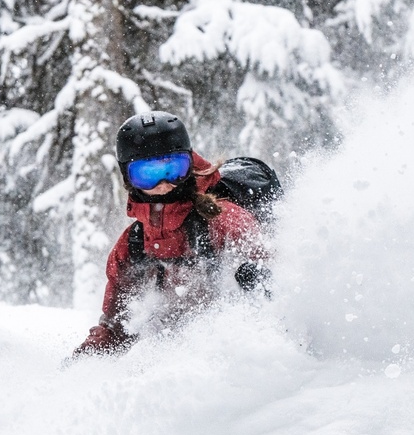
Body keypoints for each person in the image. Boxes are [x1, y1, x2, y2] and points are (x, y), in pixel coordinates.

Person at [72, 111, 269, 358]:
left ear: (190, 165)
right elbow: (117, 323)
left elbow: (273, 270)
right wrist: (91, 356)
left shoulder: (222, 218)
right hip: (174, 360)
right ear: (128, 178)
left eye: (174, 169)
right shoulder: (133, 244)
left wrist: (259, 283)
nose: (164, 183)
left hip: (233, 351)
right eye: (148, 174)